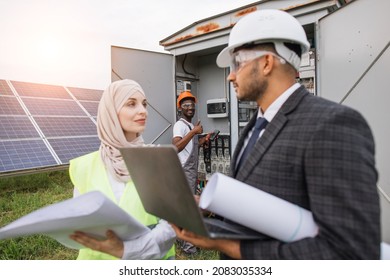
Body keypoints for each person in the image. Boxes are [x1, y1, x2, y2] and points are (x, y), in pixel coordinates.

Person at [172, 9, 381, 259]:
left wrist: (230, 246)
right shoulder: (255, 125)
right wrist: (209, 206)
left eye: (236, 63)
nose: (230, 75)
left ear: (267, 63)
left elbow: (352, 252)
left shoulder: (332, 125)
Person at [68, 79, 176, 260]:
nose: (142, 110)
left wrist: (128, 251)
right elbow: (78, 222)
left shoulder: (158, 160)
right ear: (110, 112)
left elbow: (170, 228)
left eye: (144, 104)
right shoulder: (84, 166)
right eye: (131, 104)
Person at [172, 91, 211, 254]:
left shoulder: (189, 126)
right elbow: (177, 147)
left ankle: (185, 240)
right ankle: (188, 247)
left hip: (191, 170)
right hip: (184, 170)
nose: (190, 108)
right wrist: (194, 132)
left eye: (192, 105)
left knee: (188, 206)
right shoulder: (180, 125)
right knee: (189, 208)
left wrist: (202, 140)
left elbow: (189, 148)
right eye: (186, 105)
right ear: (180, 108)